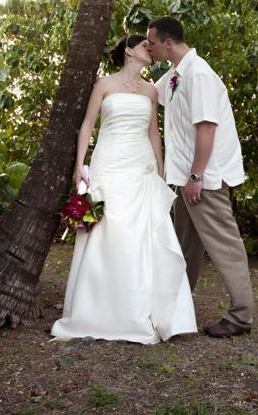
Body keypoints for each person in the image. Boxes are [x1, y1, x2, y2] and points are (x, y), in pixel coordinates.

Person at [51, 34, 197, 344]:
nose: (150, 48)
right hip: (108, 162)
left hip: (139, 165)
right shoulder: (104, 84)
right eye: (145, 45)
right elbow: (89, 125)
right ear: (129, 51)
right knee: (105, 230)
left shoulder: (150, 90)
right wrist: (81, 164)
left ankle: (142, 309)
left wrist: (160, 169)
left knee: (141, 233)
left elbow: (153, 134)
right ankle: (98, 310)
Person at [147, 16, 254, 338]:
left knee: (225, 245)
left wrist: (196, 176)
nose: (148, 48)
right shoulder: (176, 75)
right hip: (183, 177)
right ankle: (177, 304)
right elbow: (148, 94)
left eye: (150, 43)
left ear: (168, 43)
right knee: (185, 246)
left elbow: (207, 127)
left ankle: (241, 316)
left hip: (204, 179)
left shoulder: (200, 75)